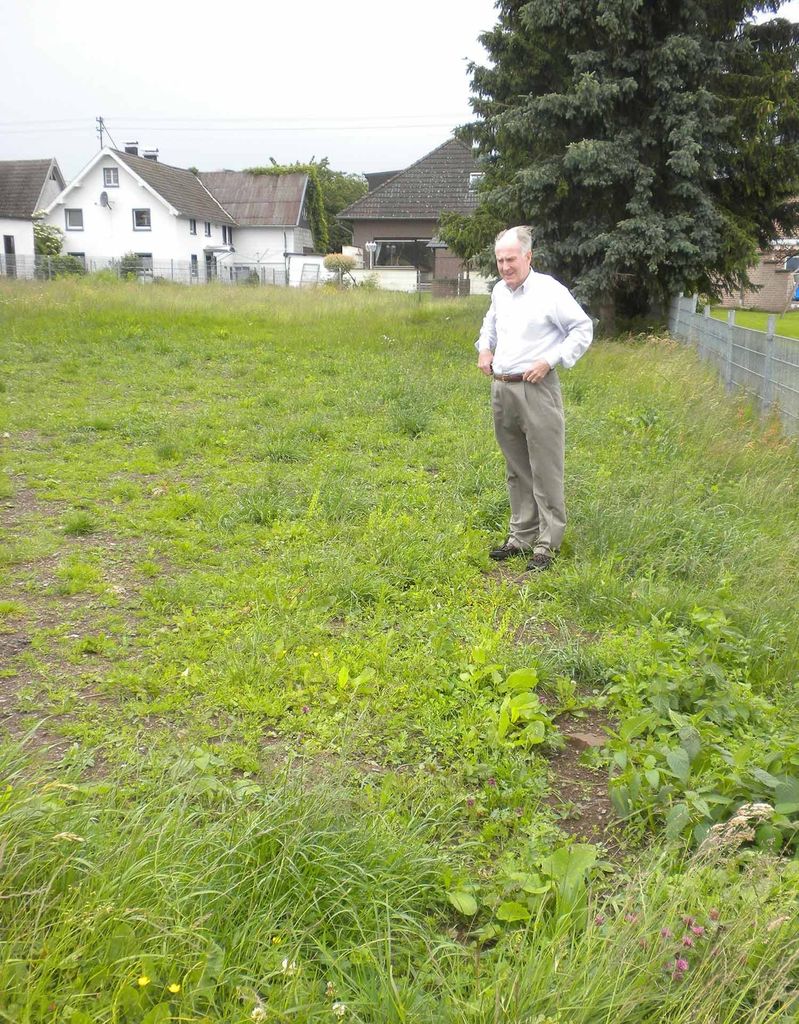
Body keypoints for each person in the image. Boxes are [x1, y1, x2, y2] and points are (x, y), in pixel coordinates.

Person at [476, 226, 593, 572]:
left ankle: (547, 544)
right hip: (503, 388)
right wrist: (485, 348)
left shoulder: (549, 291)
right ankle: (521, 536)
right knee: (517, 467)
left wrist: (550, 360)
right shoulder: (500, 291)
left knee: (545, 467)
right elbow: (490, 326)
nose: (505, 266)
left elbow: (582, 328)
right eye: (499, 260)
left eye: (510, 259)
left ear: (528, 256)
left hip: (536, 389)